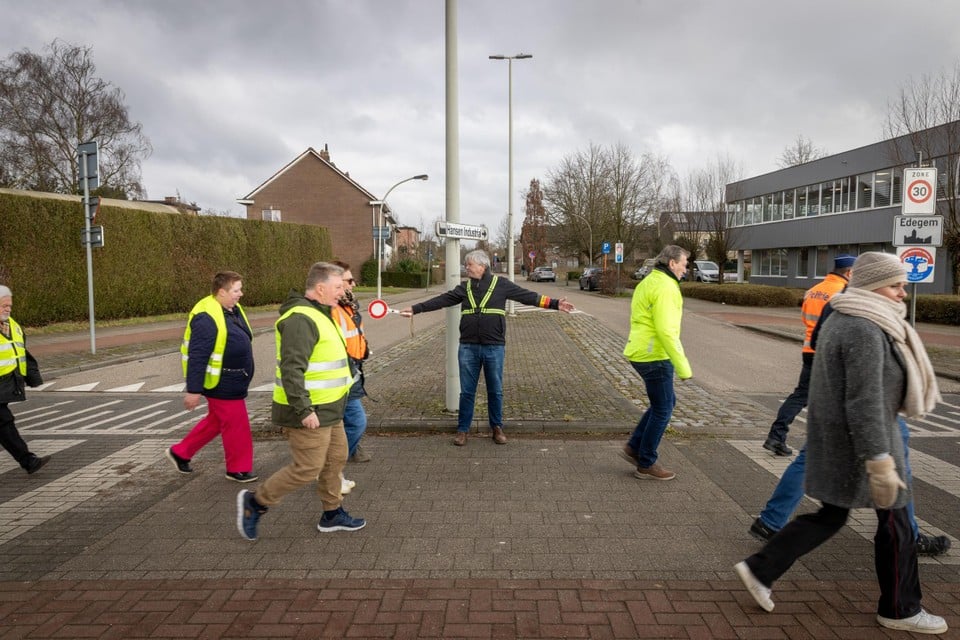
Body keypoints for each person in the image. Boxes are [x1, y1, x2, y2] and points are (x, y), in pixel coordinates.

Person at [735, 252, 947, 634]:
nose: (903, 294)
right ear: (871, 284)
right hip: (866, 443)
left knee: (830, 517)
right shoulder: (864, 328)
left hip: (842, 439)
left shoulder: (848, 316)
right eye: (896, 285)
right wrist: (880, 460)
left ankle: (760, 568)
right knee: (896, 525)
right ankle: (901, 609)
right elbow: (865, 401)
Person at [750, 297, 951, 557]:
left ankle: (770, 522)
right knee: (894, 460)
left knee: (812, 459)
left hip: (835, 397)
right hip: (865, 402)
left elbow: (818, 339)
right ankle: (906, 536)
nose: (902, 291)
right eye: (894, 284)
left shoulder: (841, 302)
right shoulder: (862, 311)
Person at [237, 262, 365, 540]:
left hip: (331, 408)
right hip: (310, 411)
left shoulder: (322, 312)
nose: (342, 292)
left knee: (335, 459)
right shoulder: (300, 319)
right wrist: (304, 409)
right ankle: (256, 503)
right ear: (320, 288)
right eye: (337, 287)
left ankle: (332, 514)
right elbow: (292, 369)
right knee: (307, 468)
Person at [399, 249, 575, 446]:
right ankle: (462, 430)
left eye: (470, 264)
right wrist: (415, 309)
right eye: (466, 264)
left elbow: (528, 296)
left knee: (495, 390)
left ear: (482, 266)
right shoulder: (464, 288)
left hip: (494, 347)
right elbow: (442, 300)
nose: (466, 268)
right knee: (467, 392)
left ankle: (497, 428)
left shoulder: (502, 285)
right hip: (468, 347)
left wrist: (555, 303)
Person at [166, 271, 257, 482]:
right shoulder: (206, 317)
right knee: (237, 425)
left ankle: (180, 452)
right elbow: (197, 356)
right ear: (221, 291)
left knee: (216, 422)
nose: (240, 294)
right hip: (222, 383)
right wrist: (194, 390)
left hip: (233, 378)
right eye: (236, 290)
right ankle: (237, 469)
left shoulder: (230, 309)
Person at [762, 254, 855, 457]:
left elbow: (806, 319)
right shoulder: (843, 293)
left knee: (801, 396)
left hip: (809, 350)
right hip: (830, 354)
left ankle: (777, 436)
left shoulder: (813, 291)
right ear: (849, 272)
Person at [618, 245, 692, 481]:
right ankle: (646, 462)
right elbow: (666, 330)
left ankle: (634, 447)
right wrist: (683, 367)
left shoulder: (650, 281)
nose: (686, 268)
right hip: (655, 355)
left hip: (642, 351)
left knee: (665, 403)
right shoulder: (666, 287)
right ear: (672, 263)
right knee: (663, 408)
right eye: (684, 264)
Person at [0, 285, 49, 474]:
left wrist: (33, 377)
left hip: (5, 383)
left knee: (4, 424)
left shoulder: (13, 326)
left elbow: (21, 353)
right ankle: (28, 461)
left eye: (9, 306)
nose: (8, 309)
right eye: (3, 305)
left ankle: (28, 461)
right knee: (4, 422)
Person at [330, 261, 370, 494]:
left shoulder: (350, 306)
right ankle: (330, 470)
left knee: (348, 424)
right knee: (356, 421)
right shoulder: (332, 310)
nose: (354, 284)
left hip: (351, 372)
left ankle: (332, 471)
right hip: (339, 377)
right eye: (349, 280)